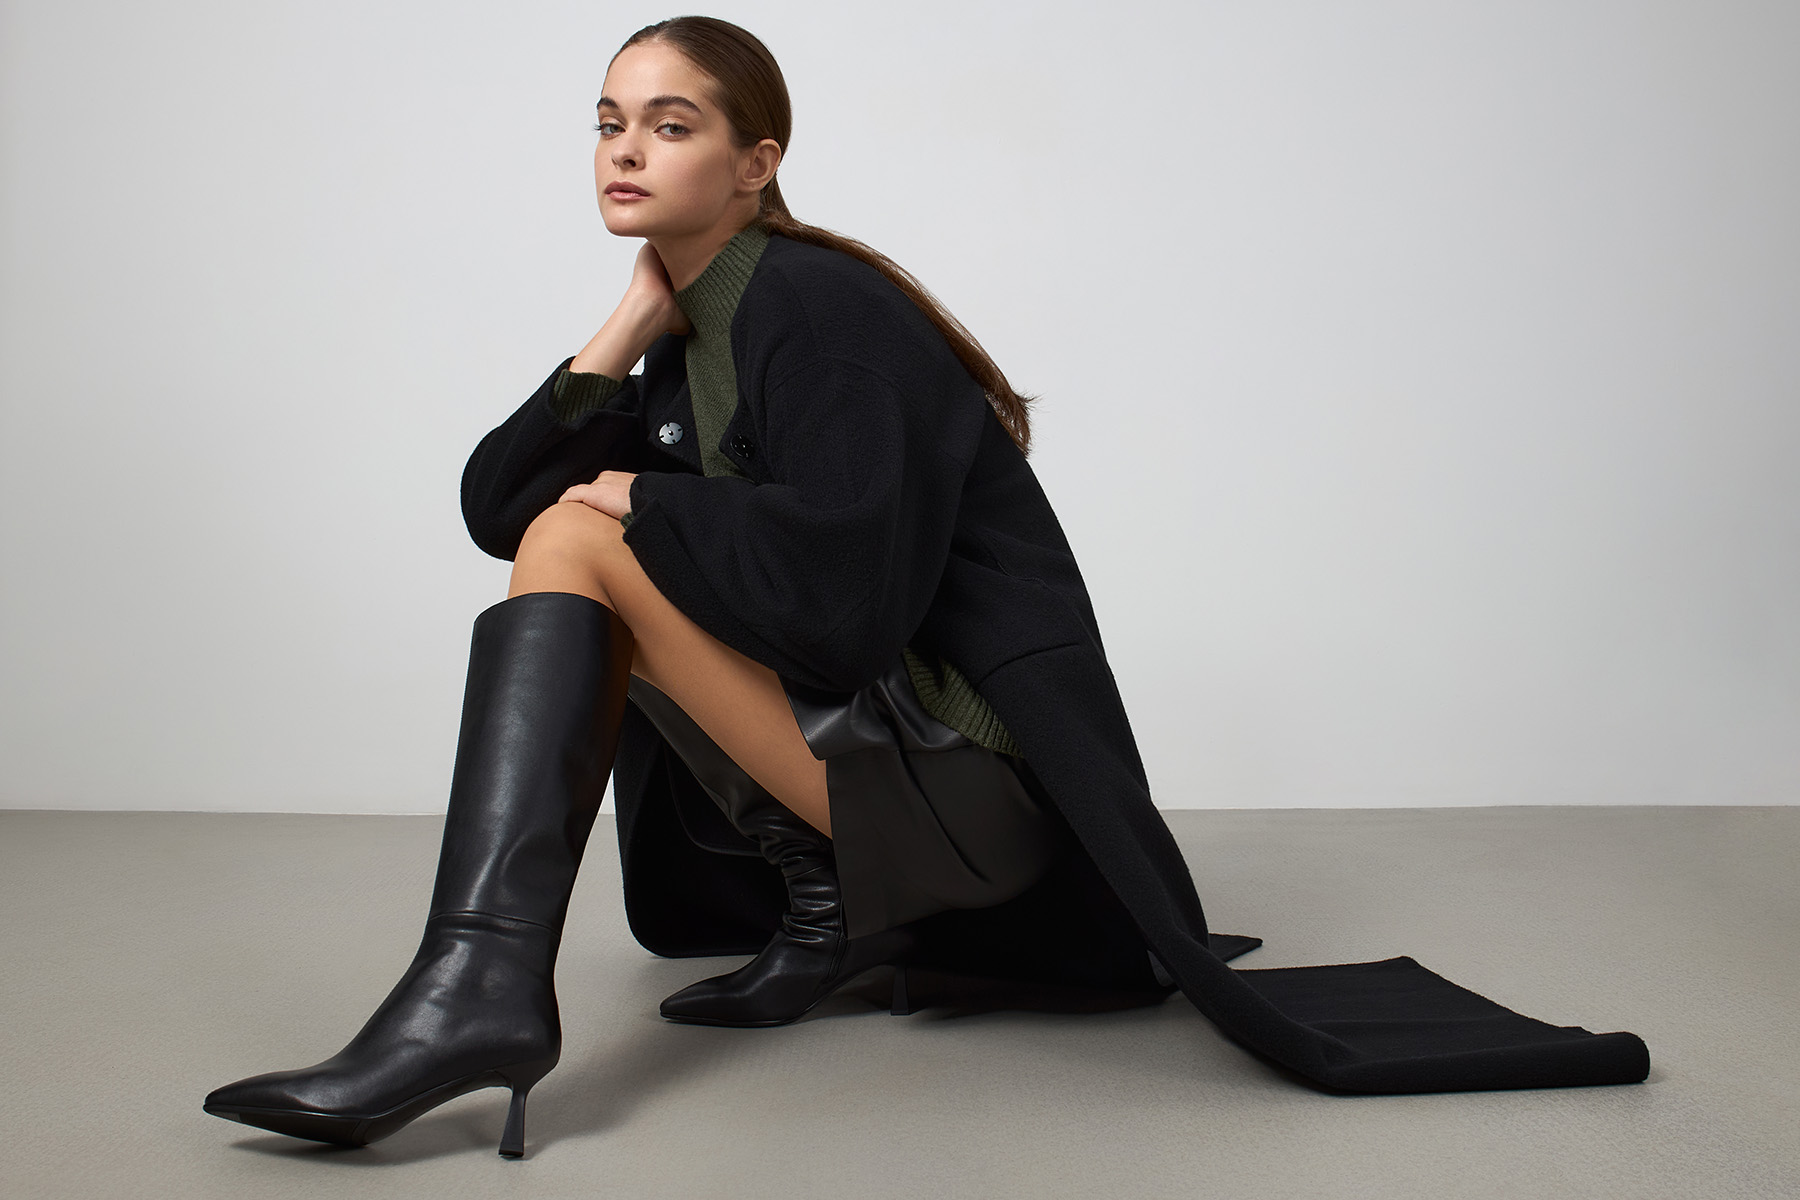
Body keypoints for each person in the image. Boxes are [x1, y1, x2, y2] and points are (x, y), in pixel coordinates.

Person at [203, 15, 1649, 1162]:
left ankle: (477, 992)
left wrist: (652, 497)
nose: (624, 149)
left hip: (982, 800)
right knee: (566, 549)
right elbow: (495, 513)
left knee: (591, 544)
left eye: (671, 123)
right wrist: (619, 333)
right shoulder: (692, 333)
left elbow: (845, 609)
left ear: (757, 160)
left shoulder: (816, 309)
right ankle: (762, 923)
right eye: (607, 120)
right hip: (879, 771)